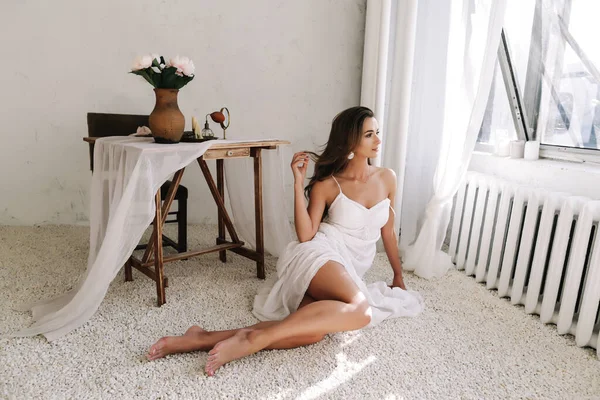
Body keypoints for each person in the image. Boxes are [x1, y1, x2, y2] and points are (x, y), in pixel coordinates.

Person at [147, 106, 424, 376]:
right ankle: (251, 342)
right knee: (361, 312)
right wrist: (297, 182)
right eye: (369, 135)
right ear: (350, 140)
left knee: (311, 334)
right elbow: (306, 235)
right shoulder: (328, 184)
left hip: (348, 269)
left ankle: (202, 338)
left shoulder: (387, 178)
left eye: (377, 132)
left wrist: (398, 275)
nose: (377, 140)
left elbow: (388, 232)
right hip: (320, 254)